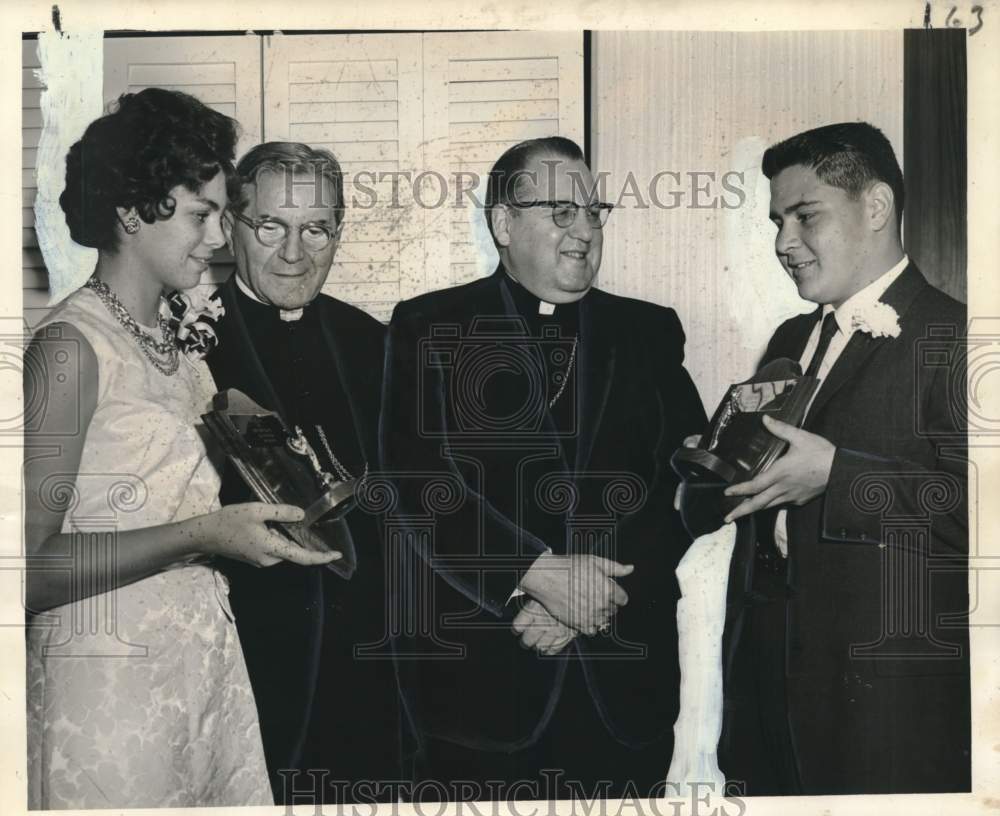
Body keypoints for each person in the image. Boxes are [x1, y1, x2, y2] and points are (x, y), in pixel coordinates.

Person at [24, 88, 338, 810]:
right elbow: (25, 570)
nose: (219, 240)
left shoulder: (182, 343)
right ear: (130, 213)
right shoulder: (70, 349)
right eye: (200, 216)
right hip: (106, 681)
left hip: (202, 667)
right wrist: (205, 534)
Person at [380, 136, 706, 800]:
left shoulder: (648, 331)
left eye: (594, 212)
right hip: (483, 685)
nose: (584, 230)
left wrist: (583, 593)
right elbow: (417, 481)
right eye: (562, 213)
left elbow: (693, 480)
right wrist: (530, 573)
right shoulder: (428, 325)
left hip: (621, 675)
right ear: (505, 224)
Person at [718, 122, 969, 795]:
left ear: (877, 207)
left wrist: (839, 477)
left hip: (886, 716)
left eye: (805, 217)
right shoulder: (790, 336)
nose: (781, 243)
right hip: (769, 699)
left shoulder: (961, 336)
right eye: (777, 221)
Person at [207, 142, 403, 805]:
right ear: (232, 225)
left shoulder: (372, 343)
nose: (295, 252)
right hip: (241, 659)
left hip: (365, 670)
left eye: (316, 228)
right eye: (272, 226)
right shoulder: (188, 341)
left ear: (337, 235)